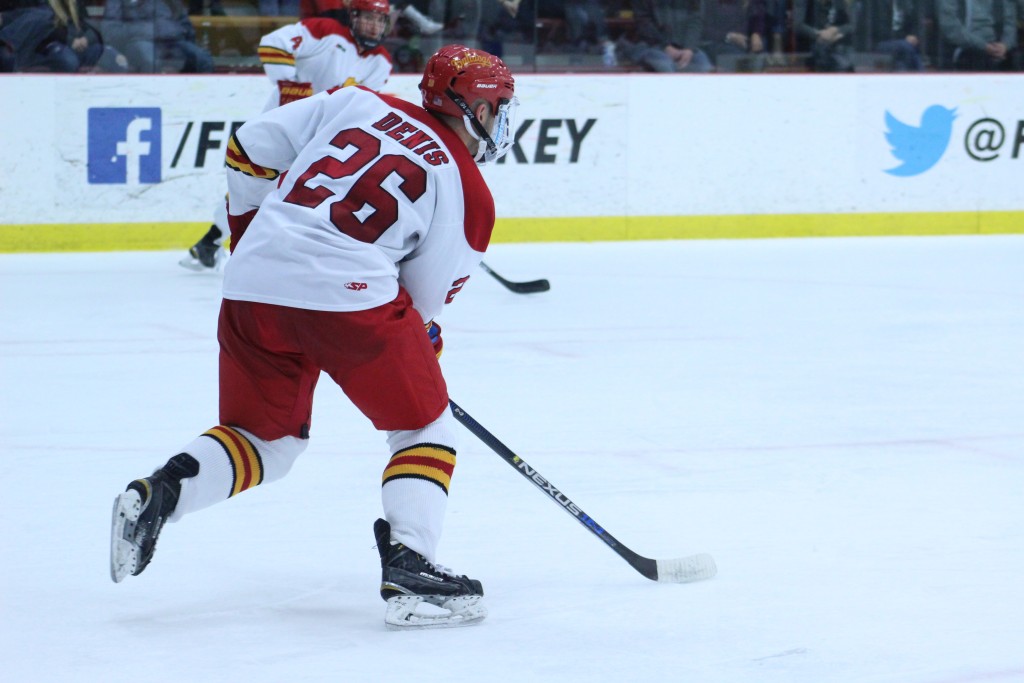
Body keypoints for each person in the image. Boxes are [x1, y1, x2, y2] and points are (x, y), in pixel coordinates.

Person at [111, 43, 519, 630]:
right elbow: (420, 307)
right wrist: (421, 349)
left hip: (252, 281)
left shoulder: (355, 102)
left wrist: (252, 232)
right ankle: (412, 567)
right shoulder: (470, 193)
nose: (501, 119)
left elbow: (248, 147)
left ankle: (160, 494)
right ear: (475, 108)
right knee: (423, 424)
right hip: (350, 298)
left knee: (263, 439)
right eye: (499, 105)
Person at [180, 0, 394, 271]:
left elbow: (362, 103)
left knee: (305, 193)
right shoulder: (324, 30)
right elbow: (273, 43)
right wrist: (292, 85)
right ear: (353, 16)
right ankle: (218, 242)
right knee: (258, 186)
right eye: (368, 18)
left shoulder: (381, 61)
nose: (373, 26)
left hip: (323, 138)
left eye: (379, 20)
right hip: (282, 126)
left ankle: (218, 244)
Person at [101, 0, 214, 73]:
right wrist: (143, 30)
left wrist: (186, 38)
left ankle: (201, 106)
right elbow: (110, 31)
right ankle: (152, 102)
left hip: (174, 42)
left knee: (203, 59)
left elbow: (184, 22)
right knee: (151, 61)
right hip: (141, 43)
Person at [622, 0, 713, 73]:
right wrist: (665, 46)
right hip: (649, 45)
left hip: (683, 46)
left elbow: (696, 19)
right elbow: (643, 23)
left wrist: (689, 48)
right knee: (664, 64)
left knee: (702, 65)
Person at [937, 0, 1018, 71]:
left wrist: (1005, 45)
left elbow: (1010, 21)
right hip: (964, 50)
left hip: (998, 48)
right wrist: (984, 46)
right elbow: (951, 28)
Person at [700, 0, 769, 71]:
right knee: (739, 59)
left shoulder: (746, 3)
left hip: (743, 43)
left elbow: (757, 16)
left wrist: (756, 33)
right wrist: (729, 36)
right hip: (716, 43)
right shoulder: (708, 3)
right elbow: (704, 30)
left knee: (762, 56)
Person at [793, 0, 860, 72]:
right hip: (809, 51)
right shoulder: (803, 2)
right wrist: (818, 34)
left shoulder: (839, 3)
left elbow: (850, 25)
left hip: (837, 50)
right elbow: (797, 25)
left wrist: (836, 30)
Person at [866, 0, 923, 71]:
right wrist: (905, 38)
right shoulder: (876, 3)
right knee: (907, 47)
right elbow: (879, 29)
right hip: (880, 42)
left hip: (901, 43)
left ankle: (920, 76)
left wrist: (913, 36)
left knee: (909, 56)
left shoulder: (904, 3)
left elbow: (913, 23)